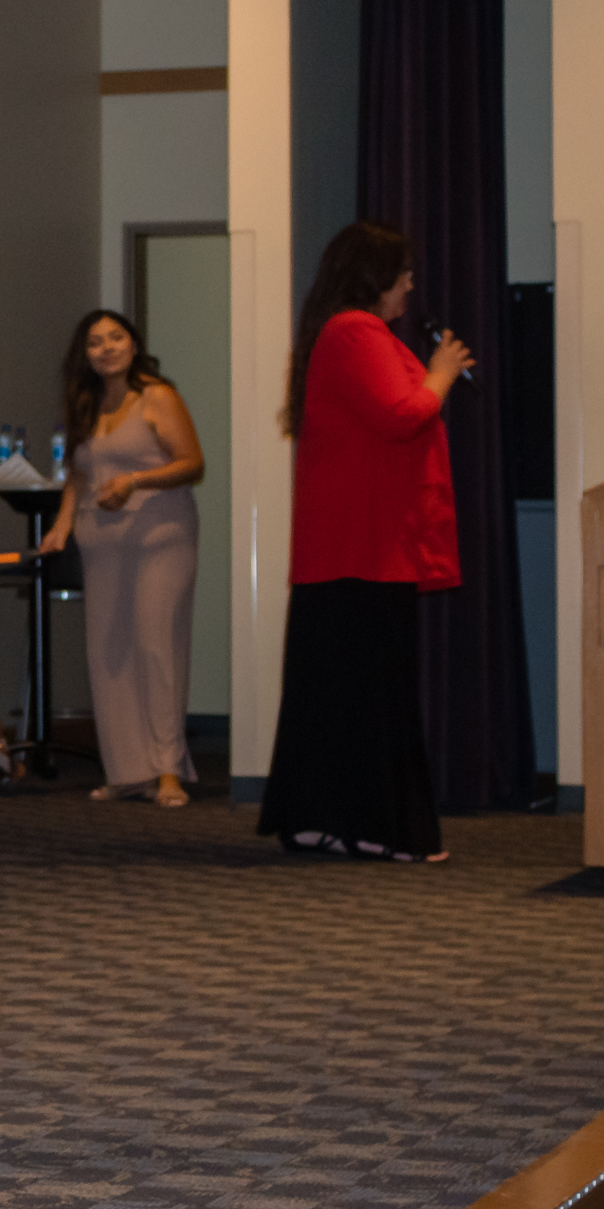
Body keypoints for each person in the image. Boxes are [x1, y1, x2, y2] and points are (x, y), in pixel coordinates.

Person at [257, 221, 470, 862]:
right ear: (374, 277)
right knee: (374, 696)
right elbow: (402, 415)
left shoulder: (345, 332)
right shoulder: (355, 331)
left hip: (351, 549)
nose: (410, 284)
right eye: (402, 273)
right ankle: (378, 827)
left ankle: (323, 819)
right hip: (364, 551)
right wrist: (442, 374)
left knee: (337, 695)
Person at [39, 310, 205, 807]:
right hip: (101, 539)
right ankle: (127, 771)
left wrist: (135, 481)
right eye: (95, 341)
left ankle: (167, 770)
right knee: (108, 652)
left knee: (156, 644)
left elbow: (192, 463)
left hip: (161, 535)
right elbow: (80, 474)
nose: (106, 347)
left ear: (134, 345)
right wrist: (62, 525)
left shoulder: (158, 395)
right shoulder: (86, 404)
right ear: (84, 354)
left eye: (116, 337)